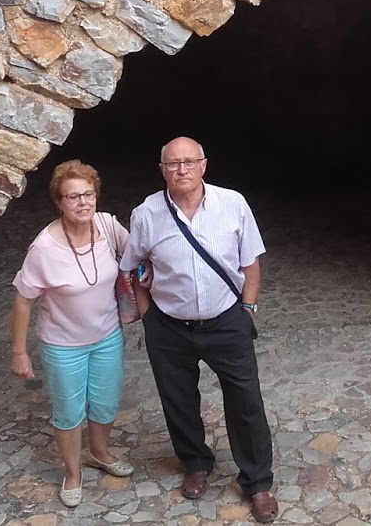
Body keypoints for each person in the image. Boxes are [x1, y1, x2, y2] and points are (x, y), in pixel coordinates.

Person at [121, 136, 278, 524]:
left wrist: (247, 309)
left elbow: (250, 264)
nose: (182, 170)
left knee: (245, 401)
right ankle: (195, 463)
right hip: (169, 325)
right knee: (177, 399)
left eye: (189, 162)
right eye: (173, 164)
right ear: (162, 170)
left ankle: (257, 483)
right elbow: (134, 266)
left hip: (226, 320)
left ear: (204, 165)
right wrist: (149, 317)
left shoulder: (232, 204)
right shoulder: (147, 213)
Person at [10, 160, 135, 508]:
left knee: (106, 401)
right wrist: (19, 352)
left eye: (88, 194)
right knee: (68, 411)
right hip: (63, 344)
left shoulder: (108, 226)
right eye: (73, 196)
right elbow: (23, 300)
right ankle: (73, 472)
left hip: (107, 335)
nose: (83, 202)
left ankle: (99, 452)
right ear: (59, 202)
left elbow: (138, 254)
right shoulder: (44, 249)